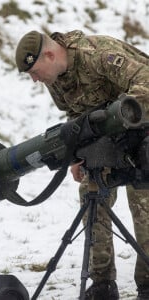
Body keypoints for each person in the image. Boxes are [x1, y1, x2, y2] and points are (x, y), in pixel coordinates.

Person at [15, 30, 149, 299]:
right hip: (107, 137)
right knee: (92, 198)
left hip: (143, 128)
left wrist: (116, 116)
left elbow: (146, 83)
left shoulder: (97, 55)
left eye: (34, 71)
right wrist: (79, 154)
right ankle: (102, 282)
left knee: (144, 205)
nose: (34, 79)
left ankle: (147, 283)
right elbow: (75, 114)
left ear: (50, 55)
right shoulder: (54, 79)